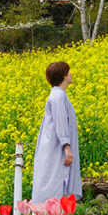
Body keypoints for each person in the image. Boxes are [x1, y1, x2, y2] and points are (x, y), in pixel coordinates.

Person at [31, 60, 82, 202]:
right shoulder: (58, 97)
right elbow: (61, 122)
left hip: (55, 146)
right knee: (55, 180)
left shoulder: (58, 95)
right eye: (68, 71)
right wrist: (67, 146)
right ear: (64, 75)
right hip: (57, 148)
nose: (71, 73)